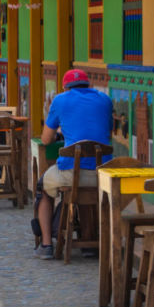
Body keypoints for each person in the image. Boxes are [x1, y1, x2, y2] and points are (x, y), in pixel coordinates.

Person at [35, 69, 113, 260]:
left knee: (43, 187)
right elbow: (107, 133)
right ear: (89, 85)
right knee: (84, 185)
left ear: (65, 87)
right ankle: (89, 243)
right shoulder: (105, 99)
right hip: (102, 173)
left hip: (73, 171)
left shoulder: (60, 100)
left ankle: (46, 244)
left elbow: (46, 139)